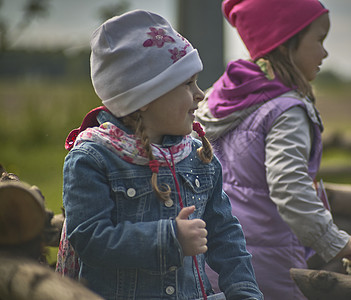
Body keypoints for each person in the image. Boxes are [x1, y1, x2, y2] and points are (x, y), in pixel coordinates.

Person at [59, 10, 263, 300]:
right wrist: (169, 239)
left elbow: (226, 235)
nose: (200, 94)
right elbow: (89, 239)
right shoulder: (93, 158)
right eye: (187, 83)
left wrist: (245, 292)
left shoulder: (197, 156)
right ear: (144, 98)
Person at [195, 0, 351, 299]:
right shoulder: (286, 110)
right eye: (319, 40)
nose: (324, 52)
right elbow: (289, 186)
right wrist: (334, 241)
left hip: (212, 260)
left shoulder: (214, 99)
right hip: (267, 269)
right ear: (286, 43)